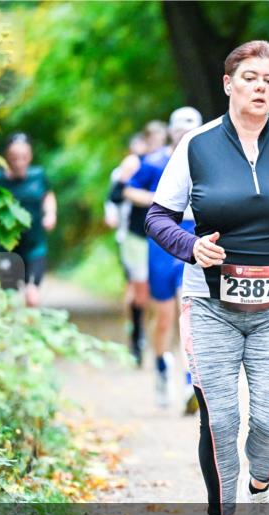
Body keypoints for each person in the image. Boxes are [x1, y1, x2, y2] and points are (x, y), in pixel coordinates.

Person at [144, 40, 269, 515]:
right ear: (229, 84)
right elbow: (158, 216)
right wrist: (191, 246)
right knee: (221, 419)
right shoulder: (197, 144)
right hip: (210, 302)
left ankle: (260, 486)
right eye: (250, 78)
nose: (260, 88)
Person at [124, 109, 202, 410]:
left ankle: (189, 382)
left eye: (190, 130)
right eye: (179, 130)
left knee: (188, 310)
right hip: (161, 239)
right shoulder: (155, 161)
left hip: (194, 237)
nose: (184, 135)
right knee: (165, 316)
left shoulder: (206, 161)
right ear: (171, 132)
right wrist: (157, 200)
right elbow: (129, 190)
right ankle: (160, 367)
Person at [116, 120, 168, 367]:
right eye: (153, 139)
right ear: (146, 140)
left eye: (161, 139)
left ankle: (151, 337)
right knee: (140, 293)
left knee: (155, 292)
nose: (158, 144)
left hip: (159, 237)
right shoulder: (136, 164)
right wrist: (151, 198)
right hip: (135, 234)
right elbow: (117, 194)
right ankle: (137, 337)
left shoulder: (171, 162)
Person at [0, 133, 57, 307]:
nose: (19, 162)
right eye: (14, 157)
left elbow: (48, 195)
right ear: (6, 157)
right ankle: (10, 325)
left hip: (34, 246)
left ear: (30, 157)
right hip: (6, 248)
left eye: (24, 157)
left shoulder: (39, 176)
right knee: (8, 298)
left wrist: (50, 214)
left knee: (32, 296)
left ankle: (31, 323)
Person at [105, 132, 148, 365]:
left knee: (145, 289)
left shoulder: (151, 170)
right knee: (132, 286)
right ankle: (135, 332)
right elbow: (112, 199)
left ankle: (140, 329)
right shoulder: (121, 172)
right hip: (126, 237)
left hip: (146, 237)